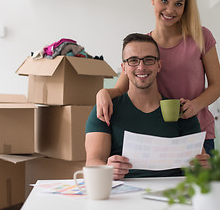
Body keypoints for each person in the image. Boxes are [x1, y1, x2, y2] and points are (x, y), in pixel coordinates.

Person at [96, 0, 220, 155]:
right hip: (160, 136)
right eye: (164, 1)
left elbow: (217, 85)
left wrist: (195, 105)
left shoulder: (201, 37)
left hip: (199, 135)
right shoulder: (144, 47)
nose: (170, 10)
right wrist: (102, 92)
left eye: (178, 4)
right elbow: (120, 89)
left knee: (203, 185)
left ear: (185, 7)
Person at [85, 33, 210, 180]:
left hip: (172, 195)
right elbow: (92, 161)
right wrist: (107, 169)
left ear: (159, 65)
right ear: (123, 67)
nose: (141, 67)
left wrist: (204, 167)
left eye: (149, 60)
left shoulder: (181, 111)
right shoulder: (106, 108)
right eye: (133, 61)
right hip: (123, 195)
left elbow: (200, 165)